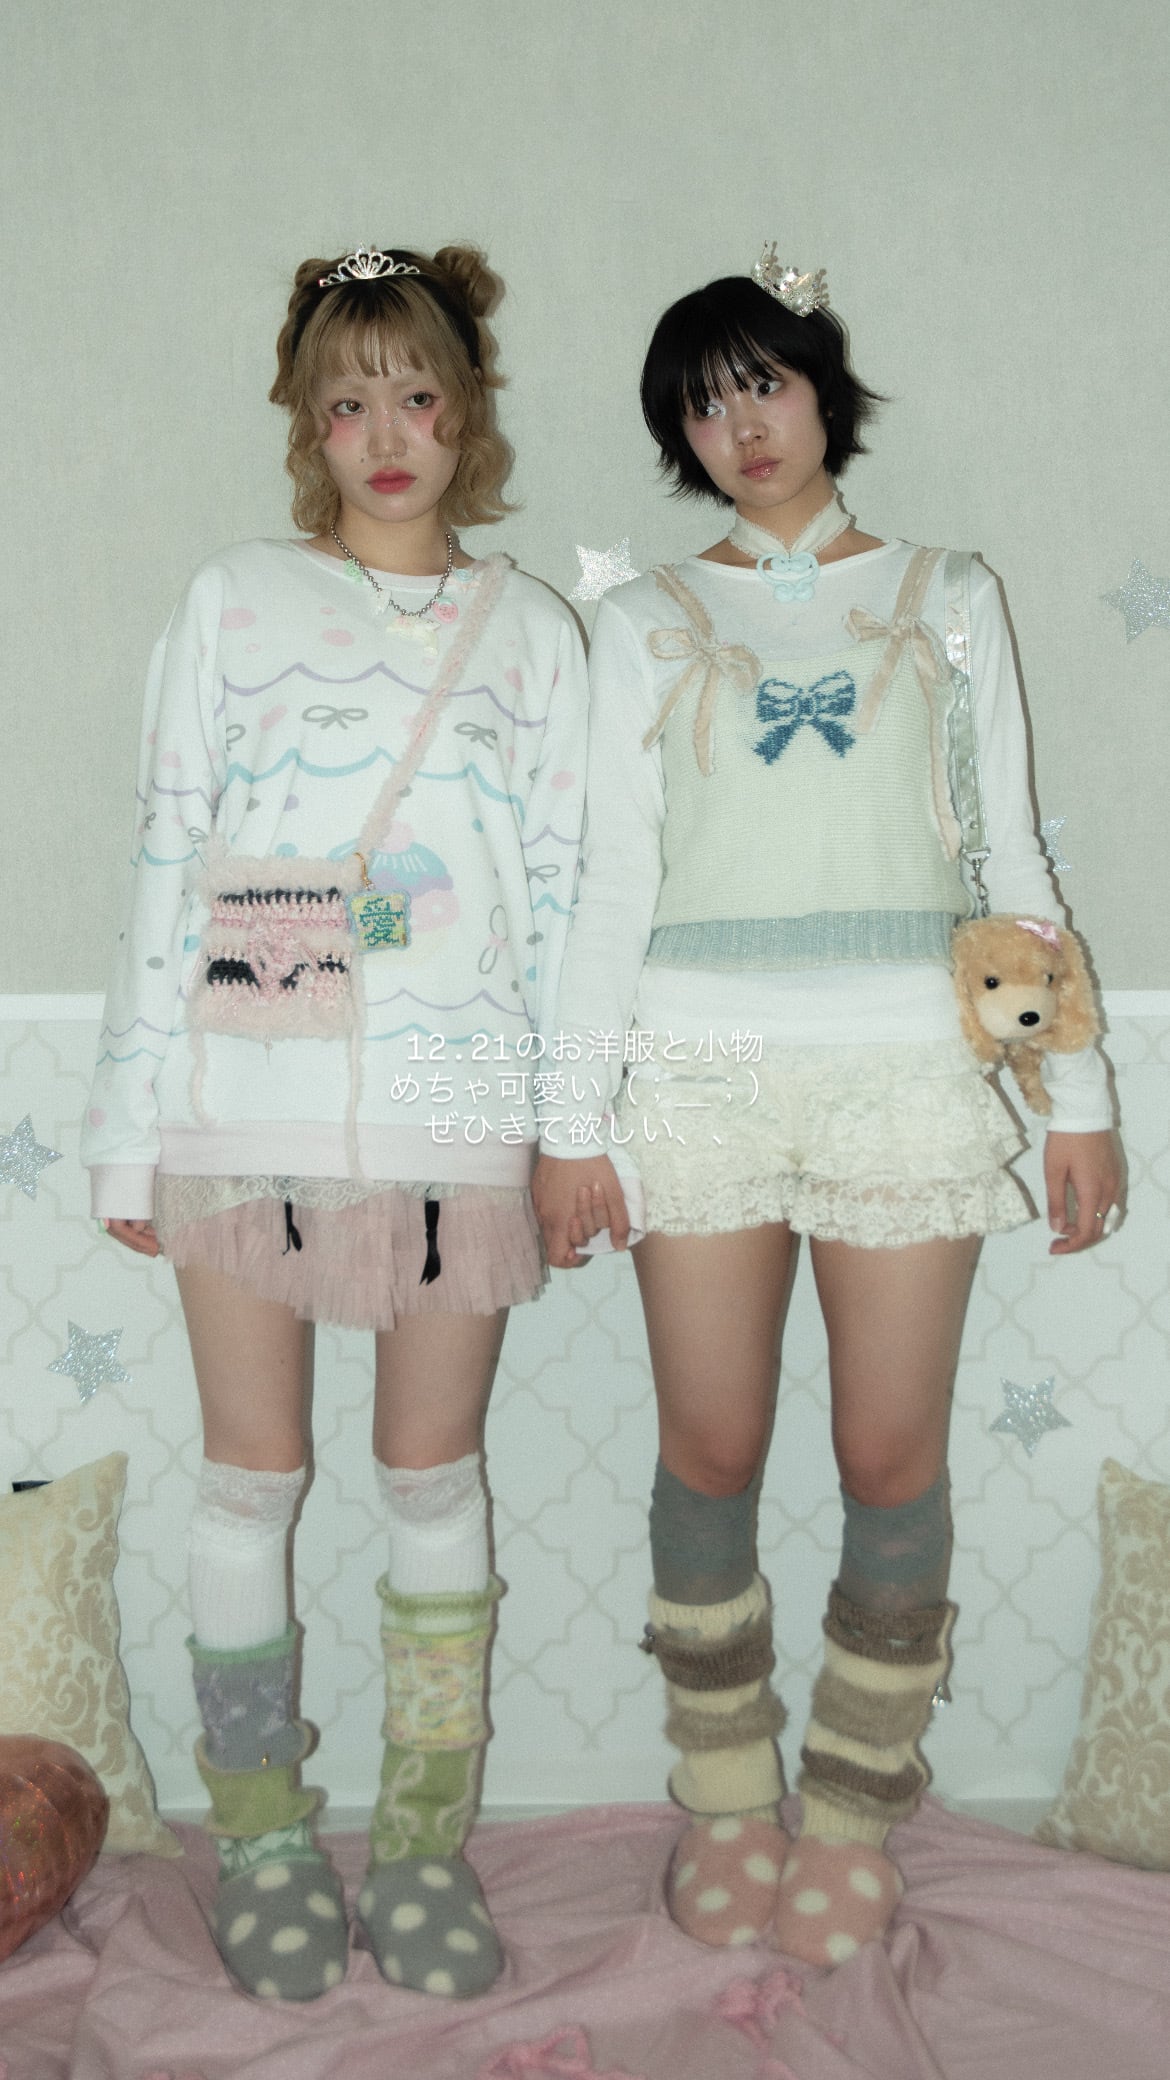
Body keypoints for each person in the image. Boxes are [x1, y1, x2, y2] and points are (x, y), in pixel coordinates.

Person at [533, 249, 1120, 1968]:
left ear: (820, 389)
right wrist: (569, 1125)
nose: (742, 427)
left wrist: (1074, 1094)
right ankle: (725, 1799)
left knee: (886, 1456)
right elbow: (602, 887)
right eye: (703, 405)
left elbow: (1009, 863)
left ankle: (852, 1814)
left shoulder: (948, 594)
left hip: (908, 1076)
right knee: (709, 1448)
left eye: (763, 384)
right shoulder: (639, 621)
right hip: (689, 1076)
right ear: (678, 438)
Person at [82, 242, 586, 2001]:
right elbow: (168, 855)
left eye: (417, 396)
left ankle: (426, 1843)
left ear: (466, 412)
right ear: (307, 423)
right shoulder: (235, 597)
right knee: (251, 1480)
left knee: (432, 1479)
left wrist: (572, 1125)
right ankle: (266, 1839)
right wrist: (128, 1133)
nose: (386, 436)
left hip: (459, 1110)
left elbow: (567, 895)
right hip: (242, 1104)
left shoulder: (533, 632)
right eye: (348, 401)